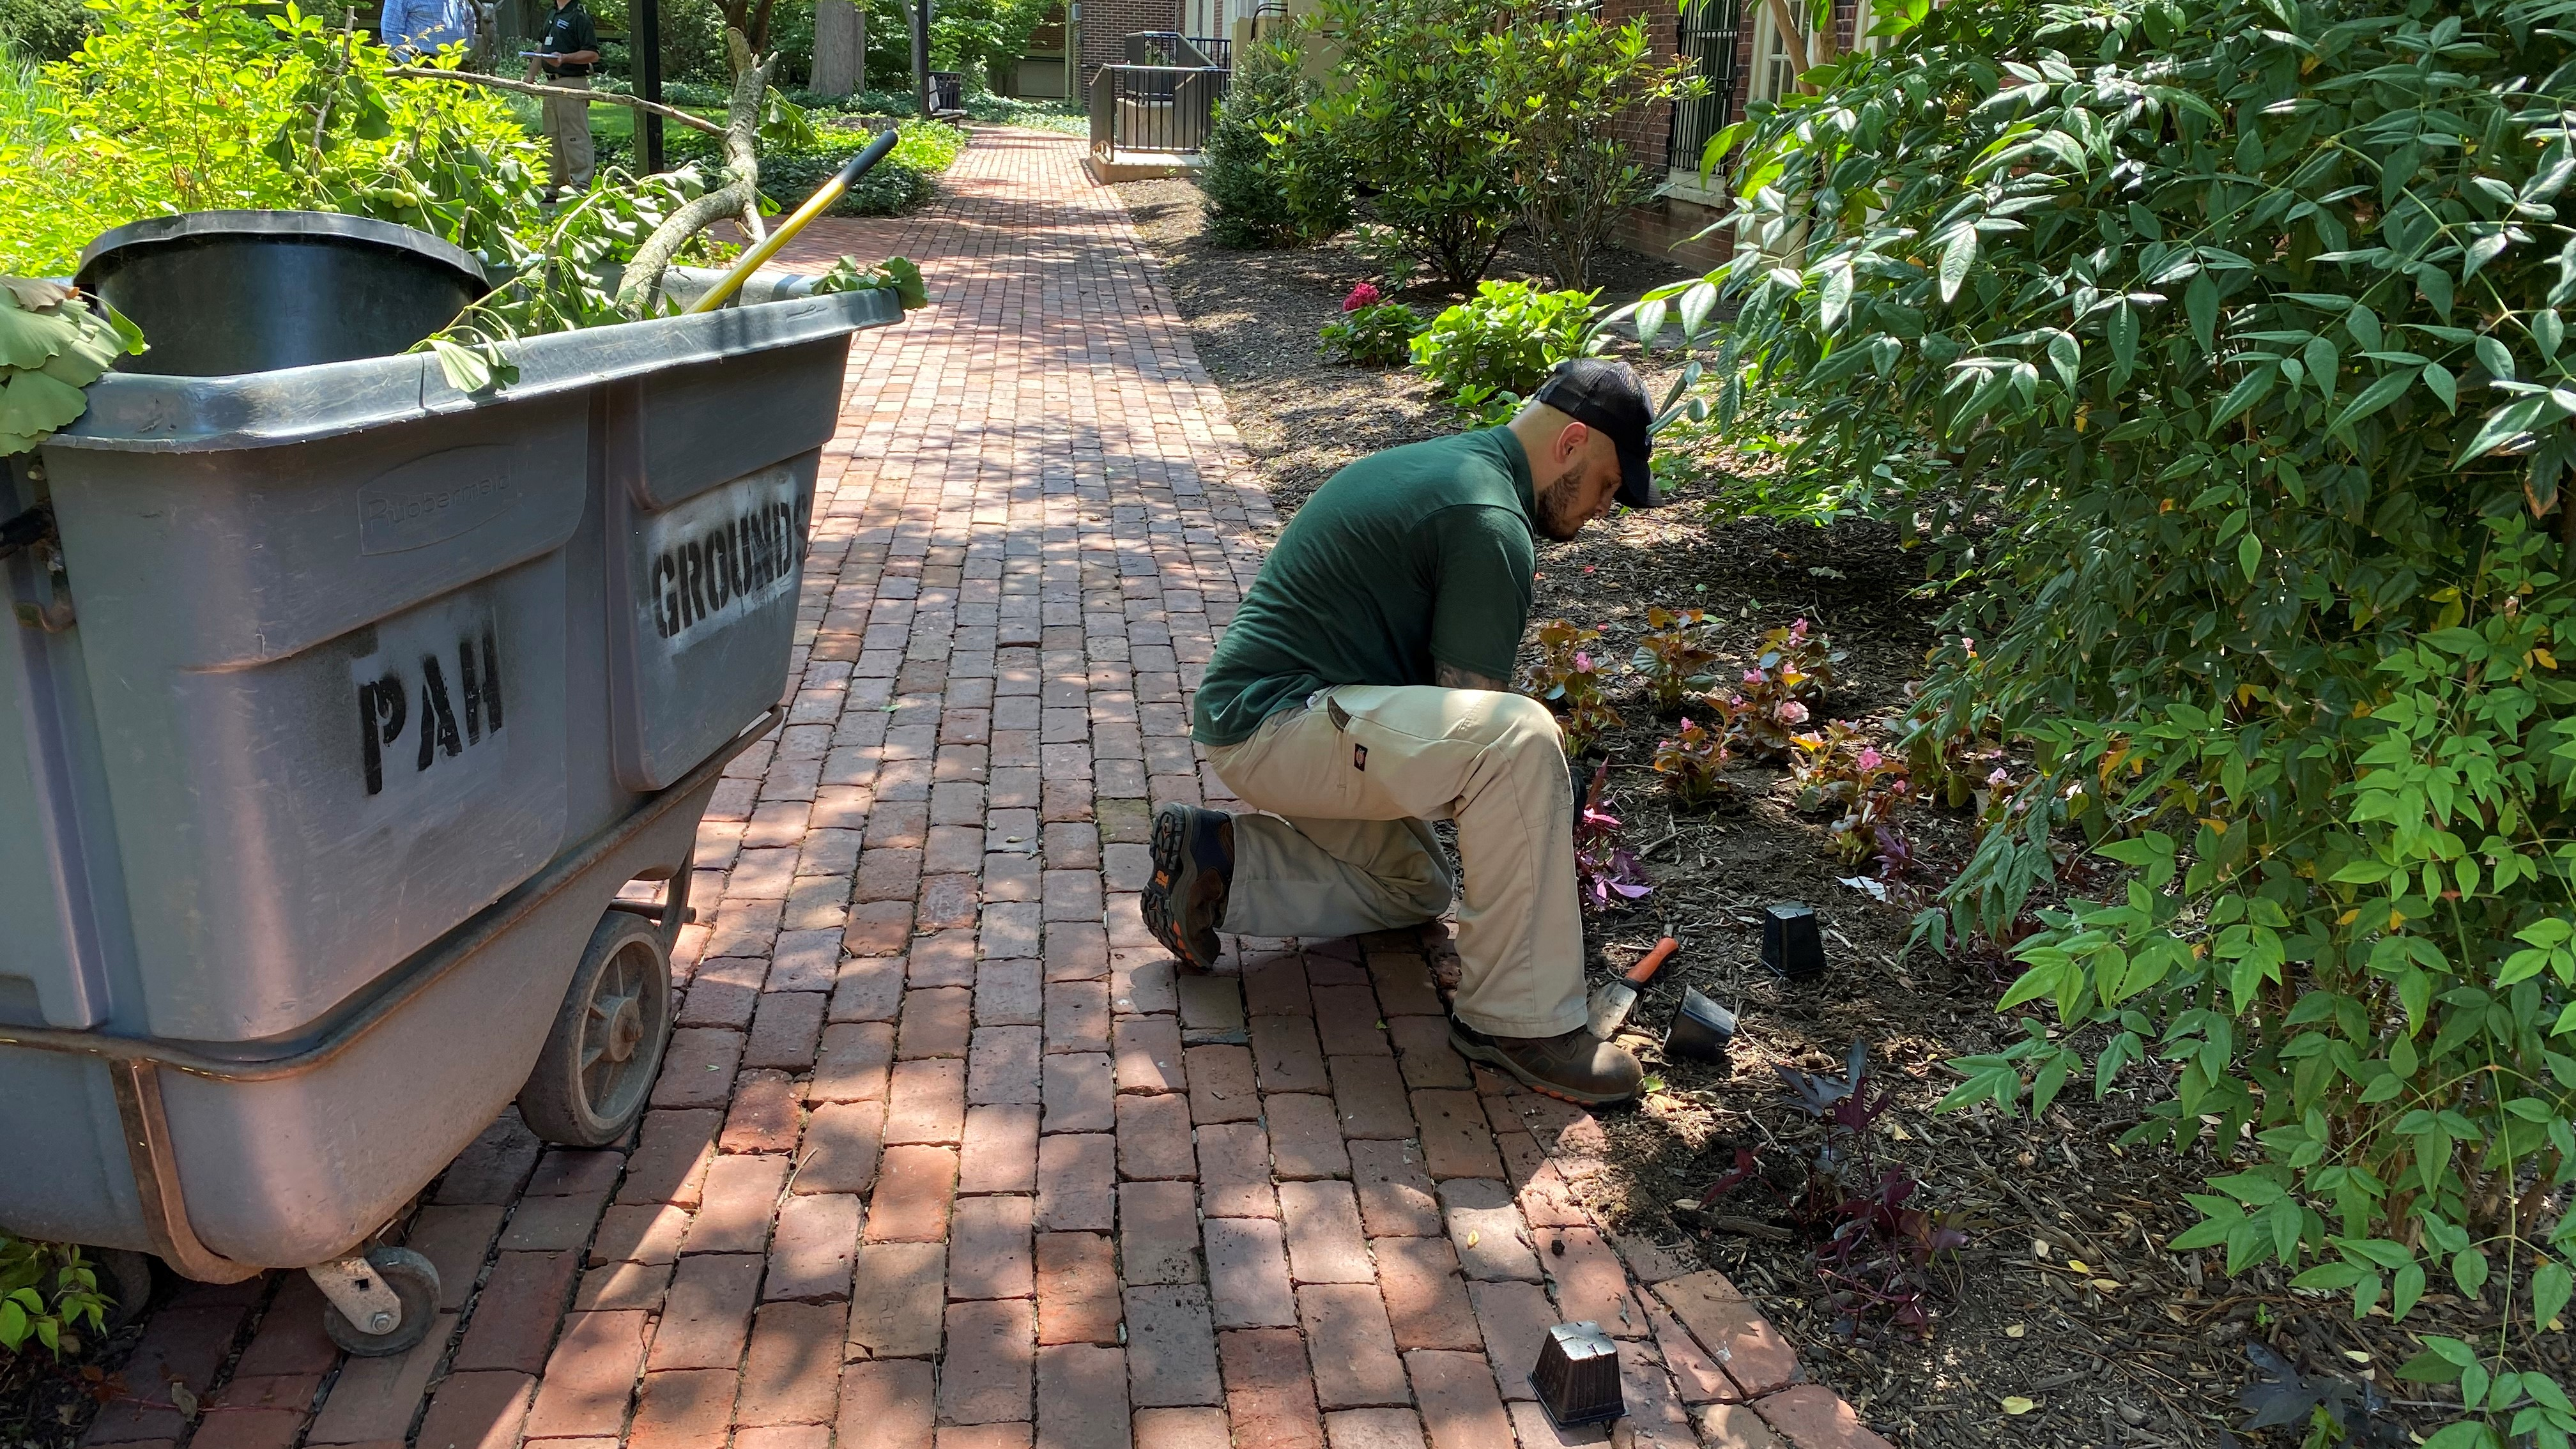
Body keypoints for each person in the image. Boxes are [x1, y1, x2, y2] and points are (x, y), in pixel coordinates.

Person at [1144, 358, 1663, 1105]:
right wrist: (1542, 839)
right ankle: (1517, 1023)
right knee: (1517, 739)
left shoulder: (1448, 466)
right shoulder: (1489, 519)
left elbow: (1445, 733)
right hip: (1282, 723)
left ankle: (1218, 865)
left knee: (1418, 885)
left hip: (1274, 722)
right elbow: (1476, 727)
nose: (1605, 508)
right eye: (1610, 485)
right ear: (1573, 441)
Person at [534, 0, 599, 197]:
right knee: (552, 137)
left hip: (572, 83)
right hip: (550, 84)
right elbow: (541, 48)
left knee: (575, 136)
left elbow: (593, 55)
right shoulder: (552, 12)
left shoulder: (580, 15)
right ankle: (554, 188)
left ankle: (581, 187)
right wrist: (530, 76)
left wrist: (565, 58)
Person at [378, 0, 475, 57]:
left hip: (456, 64)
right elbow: (390, 33)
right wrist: (408, 64)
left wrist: (465, 55)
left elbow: (470, 20)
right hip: (421, 64)